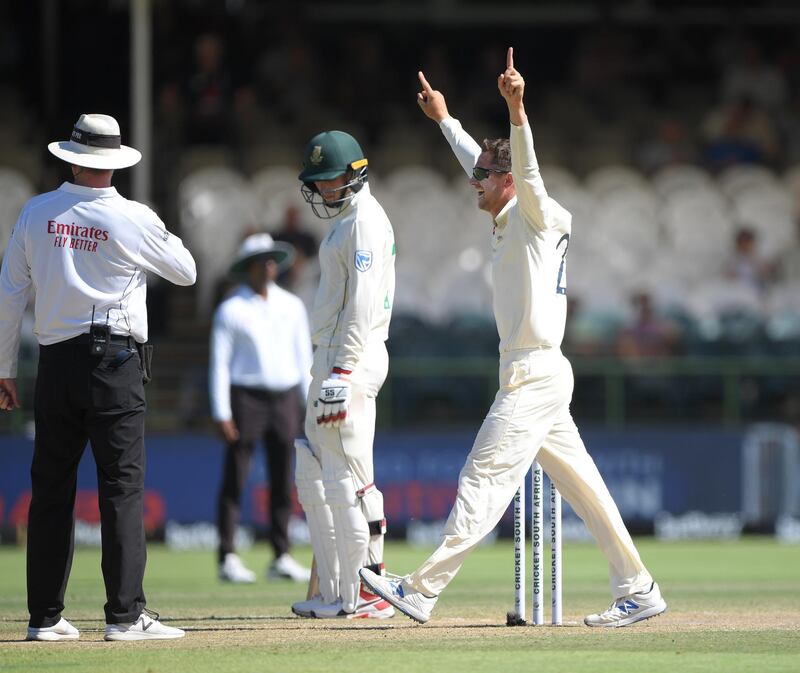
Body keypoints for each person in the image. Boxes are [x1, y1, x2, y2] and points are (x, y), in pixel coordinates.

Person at [360, 49, 667, 628]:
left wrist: (517, 109)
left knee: (483, 476)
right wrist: (445, 120)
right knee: (585, 489)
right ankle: (638, 587)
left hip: (532, 371)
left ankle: (422, 590)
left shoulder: (533, 213)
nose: (472, 183)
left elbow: (522, 168)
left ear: (506, 182)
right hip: (537, 370)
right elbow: (487, 163)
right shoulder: (510, 216)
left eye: (484, 177)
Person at [0, 114, 196, 641]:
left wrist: (3, 368)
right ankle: (125, 616)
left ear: (70, 156)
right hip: (114, 362)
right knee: (122, 489)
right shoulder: (132, 216)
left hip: (54, 362)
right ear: (115, 162)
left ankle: (44, 617)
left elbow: (10, 293)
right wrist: (149, 230)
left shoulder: (35, 211)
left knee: (50, 491)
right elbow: (186, 269)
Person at [290, 130, 396, 619]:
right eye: (319, 183)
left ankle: (371, 593)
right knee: (318, 474)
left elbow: (362, 306)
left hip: (351, 357)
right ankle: (336, 592)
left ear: (355, 172)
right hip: (330, 357)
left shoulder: (366, 223)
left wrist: (343, 370)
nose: (324, 191)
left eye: (330, 180)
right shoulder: (347, 221)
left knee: (351, 476)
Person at [209, 232, 313, 584]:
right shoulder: (231, 308)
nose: (269, 266)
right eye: (262, 261)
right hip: (246, 398)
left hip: (284, 399)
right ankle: (228, 556)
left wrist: (309, 404)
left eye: (272, 260)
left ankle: (281, 555)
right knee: (235, 478)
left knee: (284, 479)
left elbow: (304, 361)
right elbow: (219, 365)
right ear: (248, 268)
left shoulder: (292, 305)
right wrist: (221, 411)